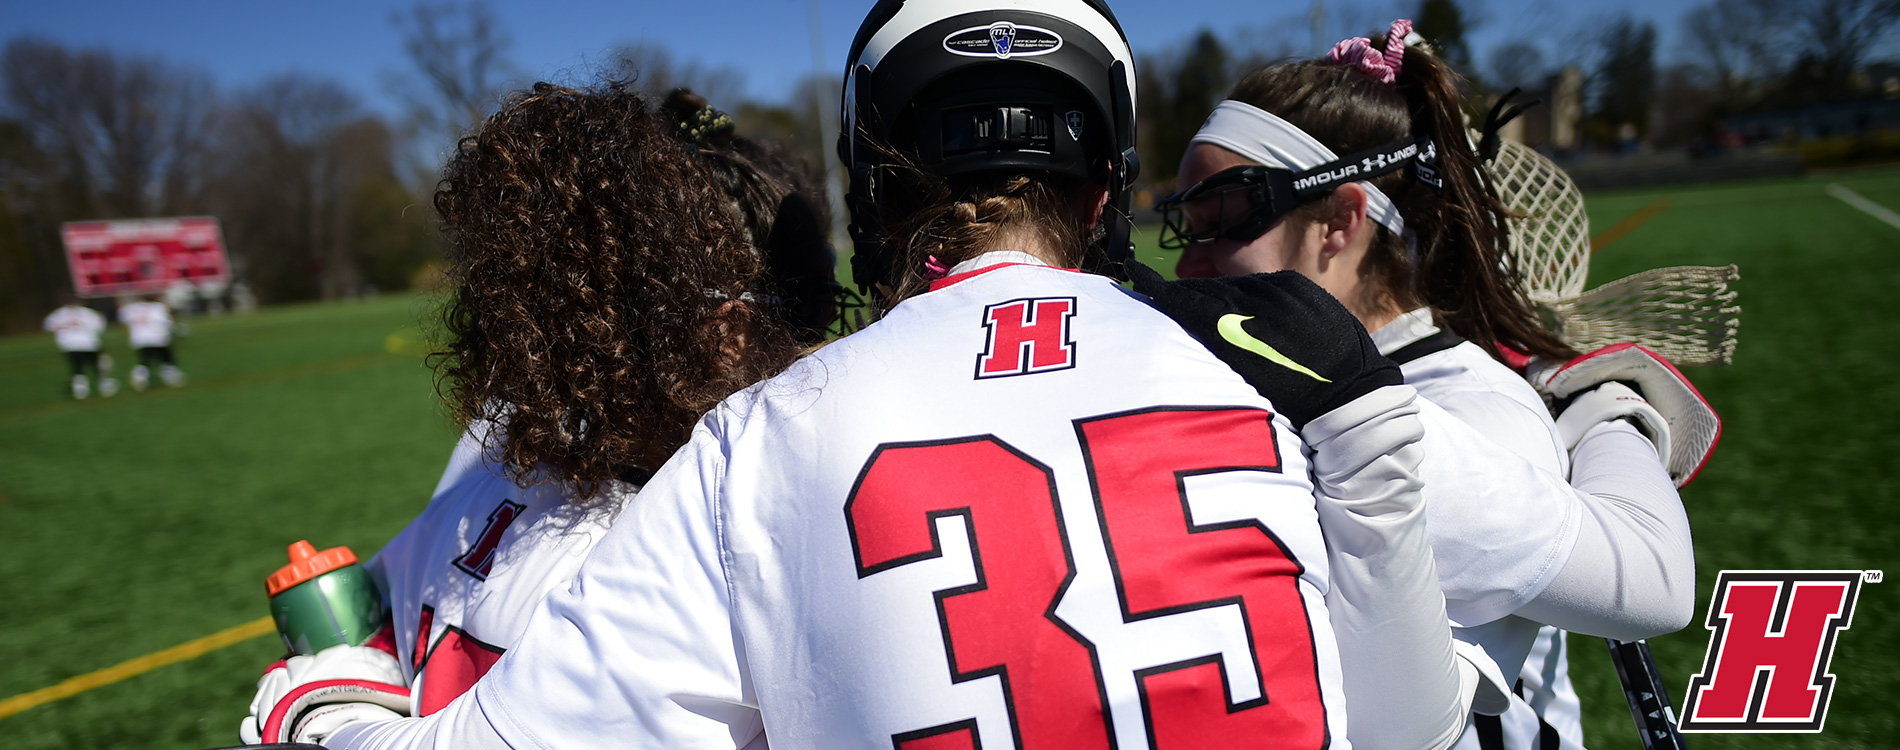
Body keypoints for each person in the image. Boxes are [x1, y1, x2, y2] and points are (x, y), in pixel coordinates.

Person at [253, 1, 1485, 747]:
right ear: (1106, 191)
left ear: (875, 194)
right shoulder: (1285, 371)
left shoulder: (764, 437)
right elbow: (1423, 727)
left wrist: (324, 701)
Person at [1156, 20, 1706, 749]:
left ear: (1340, 221)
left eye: (1219, 218)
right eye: (1183, 227)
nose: (1187, 267)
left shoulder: (1442, 418)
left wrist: (1608, 411)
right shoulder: (1358, 385)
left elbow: (1651, 582)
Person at [238, 80, 840, 744]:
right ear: (725, 328)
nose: (812, 353)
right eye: (803, 321)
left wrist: (321, 704)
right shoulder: (702, 536)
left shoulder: (505, 446)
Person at [43, 296, 116, 399]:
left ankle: (80, 390)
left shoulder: (58, 314)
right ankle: (105, 386)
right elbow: (100, 326)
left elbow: (47, 326)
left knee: (77, 367)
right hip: (89, 343)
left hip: (69, 345)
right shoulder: (88, 312)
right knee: (99, 365)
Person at [118, 295, 183, 389]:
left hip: (139, 338)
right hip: (158, 337)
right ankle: (170, 377)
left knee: (145, 360)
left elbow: (123, 319)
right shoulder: (158, 307)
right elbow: (166, 322)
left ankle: (139, 378)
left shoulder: (131, 308)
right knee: (167, 359)